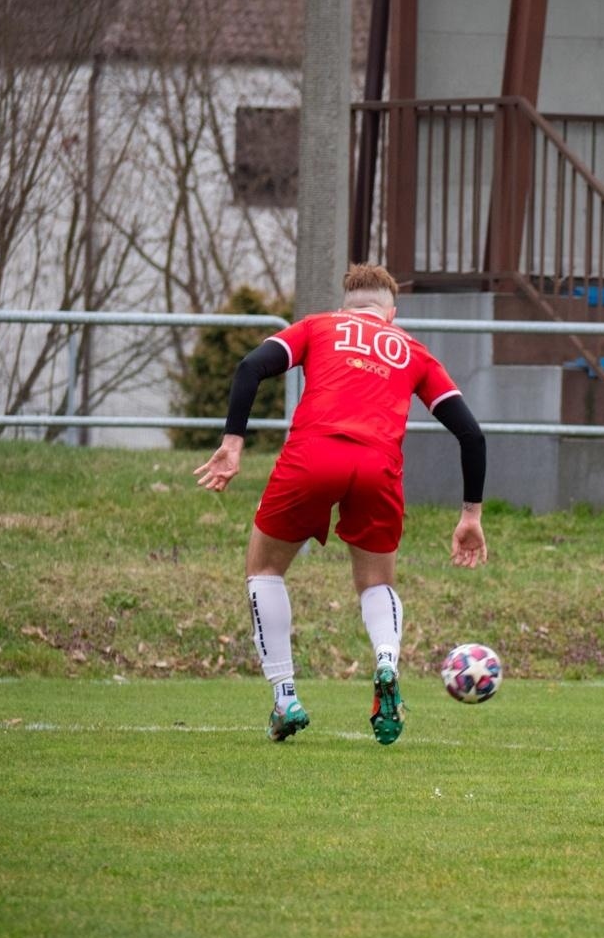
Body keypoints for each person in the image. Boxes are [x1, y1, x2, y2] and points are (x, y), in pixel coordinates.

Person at [193, 263, 488, 746]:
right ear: (390, 314)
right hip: (378, 467)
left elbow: (250, 367)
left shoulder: (318, 326)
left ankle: (285, 696)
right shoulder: (411, 350)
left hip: (312, 456)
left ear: (345, 305)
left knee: (264, 569)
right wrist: (470, 515)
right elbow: (471, 433)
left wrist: (233, 442)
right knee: (376, 582)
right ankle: (387, 663)